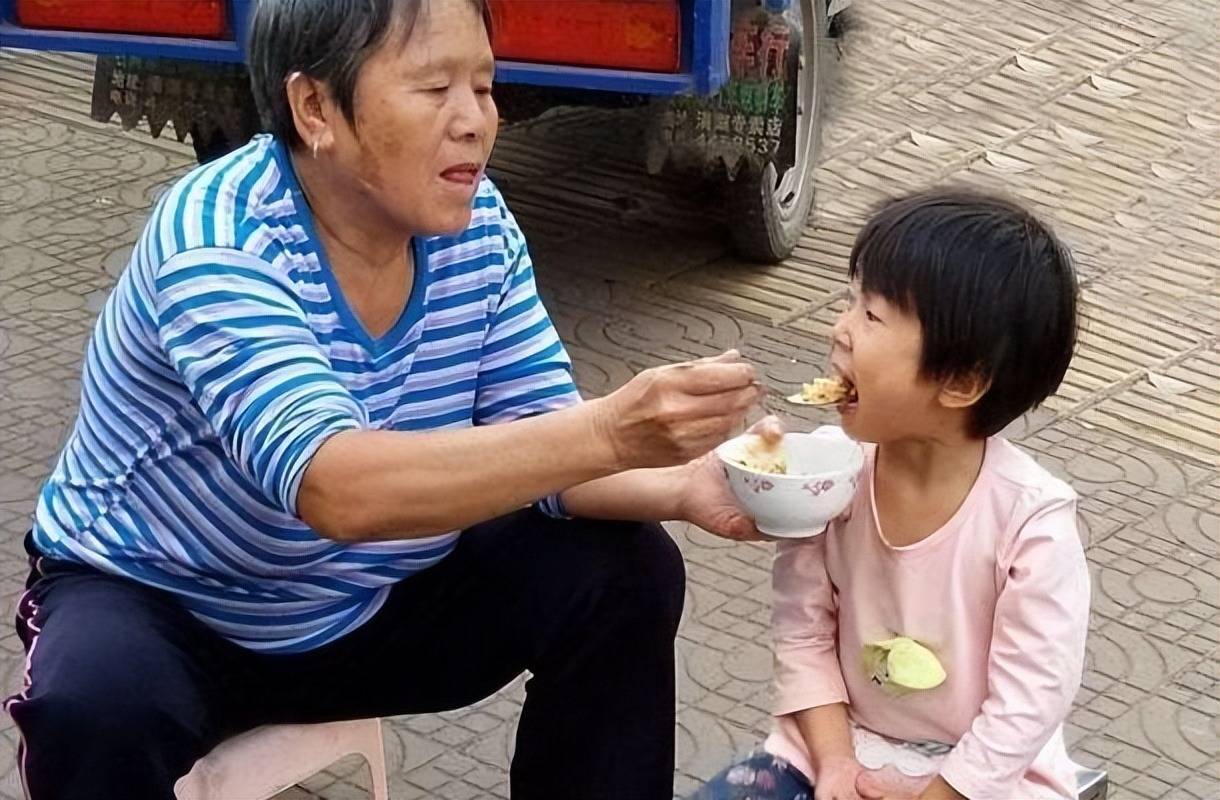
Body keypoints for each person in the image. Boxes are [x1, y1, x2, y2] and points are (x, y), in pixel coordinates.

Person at [2, 2, 769, 798]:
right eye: (435, 88)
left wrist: (687, 484)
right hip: (173, 611)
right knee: (90, 709)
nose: (476, 121)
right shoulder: (217, 240)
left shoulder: (478, 227)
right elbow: (338, 487)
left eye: (484, 84)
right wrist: (613, 429)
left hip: (369, 607)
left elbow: (546, 446)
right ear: (315, 109)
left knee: (626, 569)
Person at [694, 190, 1089, 800]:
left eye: (871, 316)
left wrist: (941, 793)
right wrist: (835, 765)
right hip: (835, 744)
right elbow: (803, 632)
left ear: (959, 381)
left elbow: (1031, 698)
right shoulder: (828, 477)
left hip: (985, 775)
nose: (841, 330)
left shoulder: (1030, 522)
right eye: (850, 301)